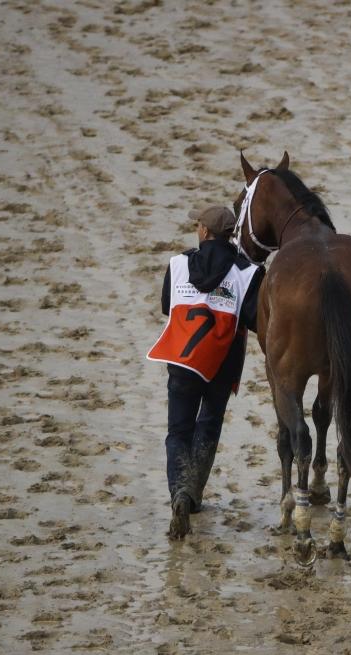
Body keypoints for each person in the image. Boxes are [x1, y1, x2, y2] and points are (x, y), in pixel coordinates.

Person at [146, 206, 263, 539]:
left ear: (205, 232)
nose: (196, 227)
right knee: (208, 426)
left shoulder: (179, 264)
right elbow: (254, 320)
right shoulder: (248, 272)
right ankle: (193, 494)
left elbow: (167, 306)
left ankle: (180, 494)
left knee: (177, 431)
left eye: (198, 224)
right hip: (221, 364)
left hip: (182, 362)